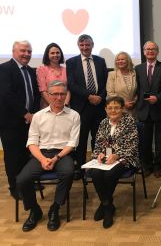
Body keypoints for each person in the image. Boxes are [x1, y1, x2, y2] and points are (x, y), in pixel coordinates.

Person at [16, 80, 80, 232]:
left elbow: (72, 143)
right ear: (48, 95)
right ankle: (34, 210)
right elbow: (32, 142)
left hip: (63, 154)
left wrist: (56, 158)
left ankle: (55, 209)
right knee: (22, 179)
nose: (59, 97)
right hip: (41, 154)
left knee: (68, 172)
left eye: (62, 94)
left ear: (66, 95)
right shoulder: (38, 116)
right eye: (55, 94)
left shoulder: (74, 115)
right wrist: (43, 159)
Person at [90, 96, 140, 228]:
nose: (113, 110)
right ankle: (107, 204)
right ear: (106, 109)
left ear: (122, 108)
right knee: (94, 173)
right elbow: (98, 143)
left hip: (126, 158)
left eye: (116, 107)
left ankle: (105, 208)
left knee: (109, 174)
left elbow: (133, 145)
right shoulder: (103, 123)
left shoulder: (129, 121)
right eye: (110, 108)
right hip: (106, 158)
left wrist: (117, 155)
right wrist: (99, 154)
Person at [0, 40, 40, 199]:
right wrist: (25, 114)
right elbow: (7, 94)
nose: (26, 54)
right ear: (13, 51)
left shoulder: (30, 70)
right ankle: (15, 187)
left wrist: (34, 115)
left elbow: (35, 95)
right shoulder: (4, 69)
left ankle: (26, 183)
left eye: (29, 51)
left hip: (29, 121)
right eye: (23, 51)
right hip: (10, 122)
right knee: (12, 157)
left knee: (26, 155)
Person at [66, 34, 108, 175]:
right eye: (82, 45)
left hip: (99, 106)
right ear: (78, 46)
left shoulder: (100, 61)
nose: (85, 47)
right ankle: (81, 168)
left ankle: (97, 165)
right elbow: (72, 84)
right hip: (81, 107)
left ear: (92, 45)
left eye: (87, 45)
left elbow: (105, 83)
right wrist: (89, 96)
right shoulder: (71, 62)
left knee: (98, 138)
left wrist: (100, 97)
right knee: (81, 139)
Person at [135, 41, 161, 178]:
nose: (150, 51)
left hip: (160, 108)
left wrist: (158, 98)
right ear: (144, 51)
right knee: (145, 141)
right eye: (147, 49)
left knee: (160, 141)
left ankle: (158, 166)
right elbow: (137, 88)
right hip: (143, 110)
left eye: (153, 49)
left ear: (157, 51)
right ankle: (147, 165)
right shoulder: (138, 68)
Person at [36, 43, 71, 108]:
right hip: (48, 107)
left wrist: (65, 105)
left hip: (65, 106)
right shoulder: (41, 69)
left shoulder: (66, 70)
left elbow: (68, 90)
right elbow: (43, 91)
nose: (55, 55)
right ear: (47, 55)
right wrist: (54, 106)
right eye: (52, 53)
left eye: (57, 53)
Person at [106, 51, 137, 117]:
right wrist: (123, 103)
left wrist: (134, 101)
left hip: (134, 110)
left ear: (128, 60)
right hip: (118, 111)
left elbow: (139, 90)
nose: (120, 61)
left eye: (122, 59)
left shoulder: (135, 73)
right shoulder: (112, 74)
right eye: (118, 60)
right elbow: (110, 93)